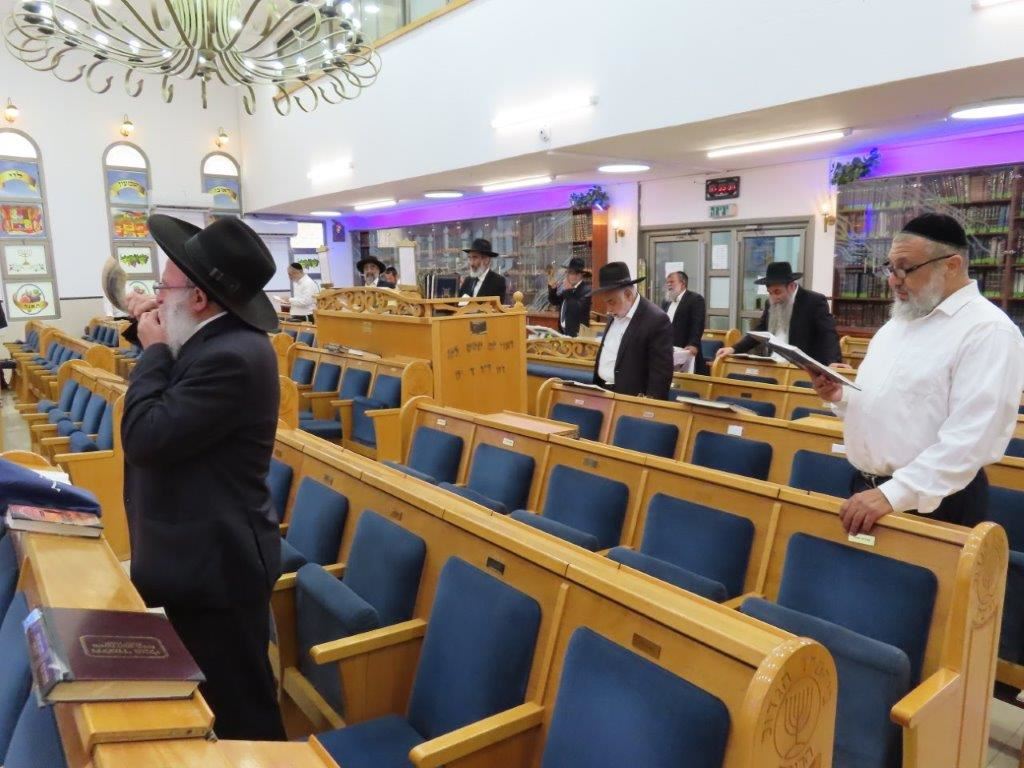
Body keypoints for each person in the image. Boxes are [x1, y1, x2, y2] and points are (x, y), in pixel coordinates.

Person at [120, 215, 286, 741]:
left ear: (197, 298)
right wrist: (148, 330)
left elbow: (147, 436)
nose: (156, 296)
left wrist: (153, 349)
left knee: (241, 709)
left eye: (164, 287)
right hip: (198, 557)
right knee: (211, 695)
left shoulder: (233, 357)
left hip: (218, 567)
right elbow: (176, 369)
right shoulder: (215, 338)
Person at [811, 213, 1024, 535]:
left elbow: (972, 438)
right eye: (890, 268)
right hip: (869, 492)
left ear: (951, 265)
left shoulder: (988, 331)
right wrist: (840, 396)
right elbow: (892, 403)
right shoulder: (898, 323)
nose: (893, 280)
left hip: (934, 502)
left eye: (905, 269)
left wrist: (893, 493)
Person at [717, 262, 841, 366]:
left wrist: (833, 362)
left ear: (791, 286)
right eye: (770, 292)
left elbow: (828, 333)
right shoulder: (770, 302)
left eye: (777, 292)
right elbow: (760, 330)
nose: (774, 297)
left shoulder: (813, 301)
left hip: (802, 368)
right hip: (774, 364)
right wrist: (734, 349)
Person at [592, 262, 673, 399]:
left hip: (631, 400)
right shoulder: (617, 312)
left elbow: (661, 375)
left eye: (611, 302)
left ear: (628, 294)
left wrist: (649, 407)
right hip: (602, 393)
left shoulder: (656, 320)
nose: (608, 310)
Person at [662, 271, 707, 375]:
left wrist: (693, 344)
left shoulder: (695, 299)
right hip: (668, 349)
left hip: (686, 347)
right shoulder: (666, 301)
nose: (668, 285)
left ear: (682, 283)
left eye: (672, 282)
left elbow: (698, 324)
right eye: (667, 282)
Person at [547, 256, 591, 337]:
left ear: (579, 275)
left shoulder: (586, 290)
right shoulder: (568, 290)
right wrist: (553, 289)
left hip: (577, 336)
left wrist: (568, 290)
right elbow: (554, 301)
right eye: (568, 272)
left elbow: (576, 309)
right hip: (563, 333)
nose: (568, 276)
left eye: (571, 273)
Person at [458, 238, 507, 302]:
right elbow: (457, 302)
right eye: (469, 258)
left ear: (486, 260)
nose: (471, 263)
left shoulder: (498, 281)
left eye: (475, 258)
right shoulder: (468, 280)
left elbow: (495, 306)